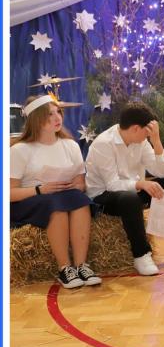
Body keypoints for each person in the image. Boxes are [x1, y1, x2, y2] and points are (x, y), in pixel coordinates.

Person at [86, 102, 164, 276]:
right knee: (130, 198)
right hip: (104, 197)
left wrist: (156, 141)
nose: (149, 135)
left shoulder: (141, 141)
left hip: (134, 190)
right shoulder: (103, 144)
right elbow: (112, 184)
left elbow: (162, 172)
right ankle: (141, 255)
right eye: (148, 132)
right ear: (135, 129)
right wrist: (141, 184)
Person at [10, 95, 100, 288]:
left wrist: (75, 186)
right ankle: (64, 268)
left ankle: (81, 266)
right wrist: (39, 189)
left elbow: (81, 183)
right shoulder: (19, 150)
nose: (57, 117)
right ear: (36, 119)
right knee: (55, 204)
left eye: (58, 112)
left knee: (80, 200)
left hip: (62, 195)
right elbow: (9, 194)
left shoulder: (70, 145)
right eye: (49, 114)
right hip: (31, 200)